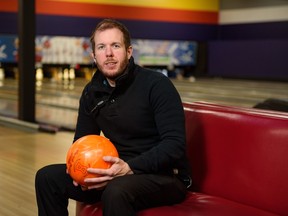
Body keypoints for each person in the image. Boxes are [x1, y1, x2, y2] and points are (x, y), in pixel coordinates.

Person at [35, 19, 191, 216]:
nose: (108, 53)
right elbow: (81, 143)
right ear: (94, 55)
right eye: (101, 47)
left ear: (128, 51)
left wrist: (129, 167)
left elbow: (175, 145)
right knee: (47, 178)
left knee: (116, 191)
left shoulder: (157, 85)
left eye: (115, 46)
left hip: (164, 176)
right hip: (114, 173)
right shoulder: (92, 92)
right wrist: (80, 172)